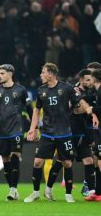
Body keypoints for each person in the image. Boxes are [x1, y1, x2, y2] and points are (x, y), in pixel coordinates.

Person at [24, 63, 91, 203]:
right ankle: (36, 192)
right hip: (47, 133)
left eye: (43, 72)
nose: (41, 75)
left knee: (67, 163)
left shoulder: (66, 88)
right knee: (37, 162)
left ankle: (68, 195)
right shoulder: (41, 90)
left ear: (51, 74)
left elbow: (77, 104)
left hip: (64, 133)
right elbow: (36, 111)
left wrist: (90, 111)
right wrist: (32, 128)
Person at [44, 69, 97, 200]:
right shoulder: (72, 91)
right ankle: (48, 188)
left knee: (89, 160)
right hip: (70, 132)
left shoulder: (89, 92)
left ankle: (92, 192)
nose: (91, 82)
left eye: (91, 79)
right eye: (88, 80)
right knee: (61, 161)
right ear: (81, 80)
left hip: (82, 133)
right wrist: (88, 108)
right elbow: (77, 111)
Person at [0, 64, 31, 200]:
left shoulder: (21, 90)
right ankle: (12, 190)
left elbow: (29, 109)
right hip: (2, 130)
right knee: (5, 159)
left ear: (10, 74)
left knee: (15, 156)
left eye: (2, 73)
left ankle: (13, 189)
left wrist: (34, 127)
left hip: (16, 129)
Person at [85, 68, 101, 201]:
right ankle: (98, 192)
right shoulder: (95, 91)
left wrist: (92, 109)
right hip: (97, 128)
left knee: (99, 160)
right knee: (97, 159)